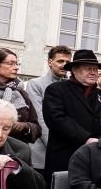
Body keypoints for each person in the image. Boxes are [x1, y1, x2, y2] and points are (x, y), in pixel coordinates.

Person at [41, 49, 101, 182]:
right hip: (65, 155)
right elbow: (56, 119)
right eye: (88, 68)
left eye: (95, 69)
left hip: (96, 157)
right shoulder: (57, 90)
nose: (93, 72)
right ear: (74, 70)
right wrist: (86, 138)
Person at [25, 44, 72, 172]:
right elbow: (39, 117)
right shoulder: (36, 84)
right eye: (60, 61)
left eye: (68, 62)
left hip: (66, 151)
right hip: (42, 151)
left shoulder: (71, 86)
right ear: (50, 62)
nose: (64, 65)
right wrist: (54, 146)